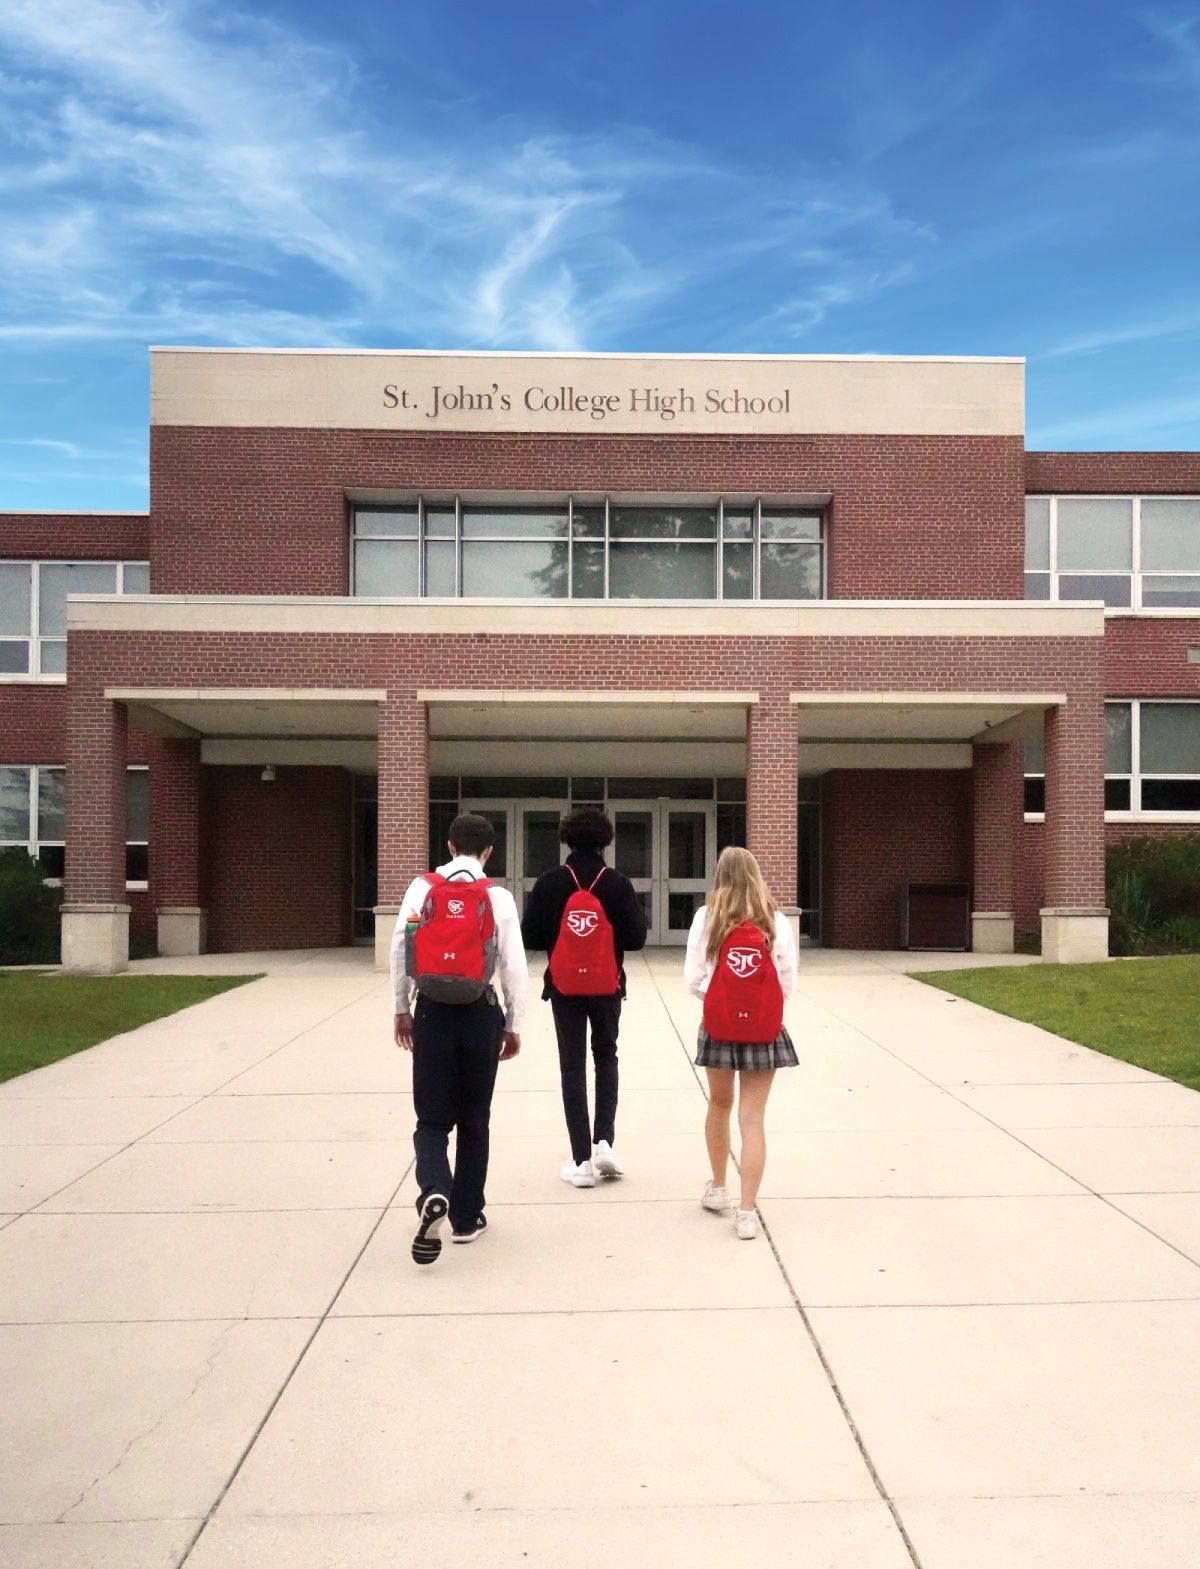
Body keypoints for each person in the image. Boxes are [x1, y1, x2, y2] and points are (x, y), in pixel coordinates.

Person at [391, 812, 527, 1265]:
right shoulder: (498, 897)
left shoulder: (421, 888)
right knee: (474, 1118)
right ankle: (466, 1218)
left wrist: (401, 1009)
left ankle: (434, 1189)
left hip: (431, 1012)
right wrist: (513, 1024)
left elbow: (400, 948)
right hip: (478, 1015)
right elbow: (513, 966)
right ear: (489, 852)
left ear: (449, 846)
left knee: (431, 1120)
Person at [521, 806, 648, 1187]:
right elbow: (637, 939)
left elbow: (529, 936)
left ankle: (580, 1161)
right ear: (605, 841)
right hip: (608, 986)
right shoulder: (617, 883)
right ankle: (605, 1141)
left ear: (566, 839)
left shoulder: (550, 882)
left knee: (572, 1066)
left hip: (564, 988)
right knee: (606, 1056)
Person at [684, 846, 798, 1240]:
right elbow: (788, 982)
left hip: (718, 1027)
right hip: (764, 1031)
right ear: (756, 875)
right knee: (753, 1119)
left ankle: (718, 1189)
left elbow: (693, 979)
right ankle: (747, 1213)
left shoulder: (707, 917)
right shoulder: (776, 919)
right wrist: (758, 1006)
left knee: (719, 1105)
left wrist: (722, 1002)